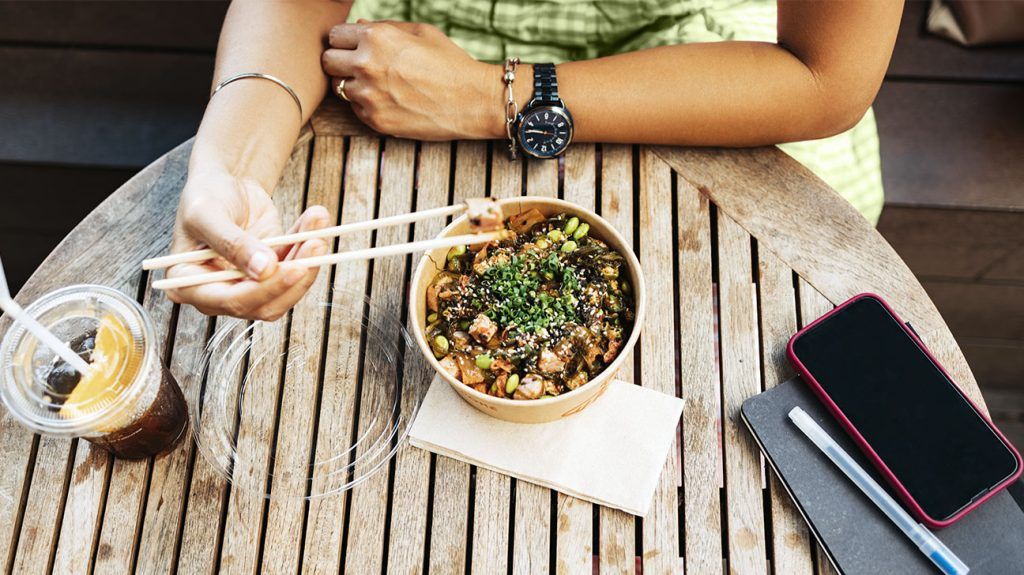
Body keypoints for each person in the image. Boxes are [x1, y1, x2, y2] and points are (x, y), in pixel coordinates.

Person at [167, 0, 903, 320]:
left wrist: (496, 96)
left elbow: (824, 75)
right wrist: (232, 161)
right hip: (401, 54)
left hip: (716, 70)